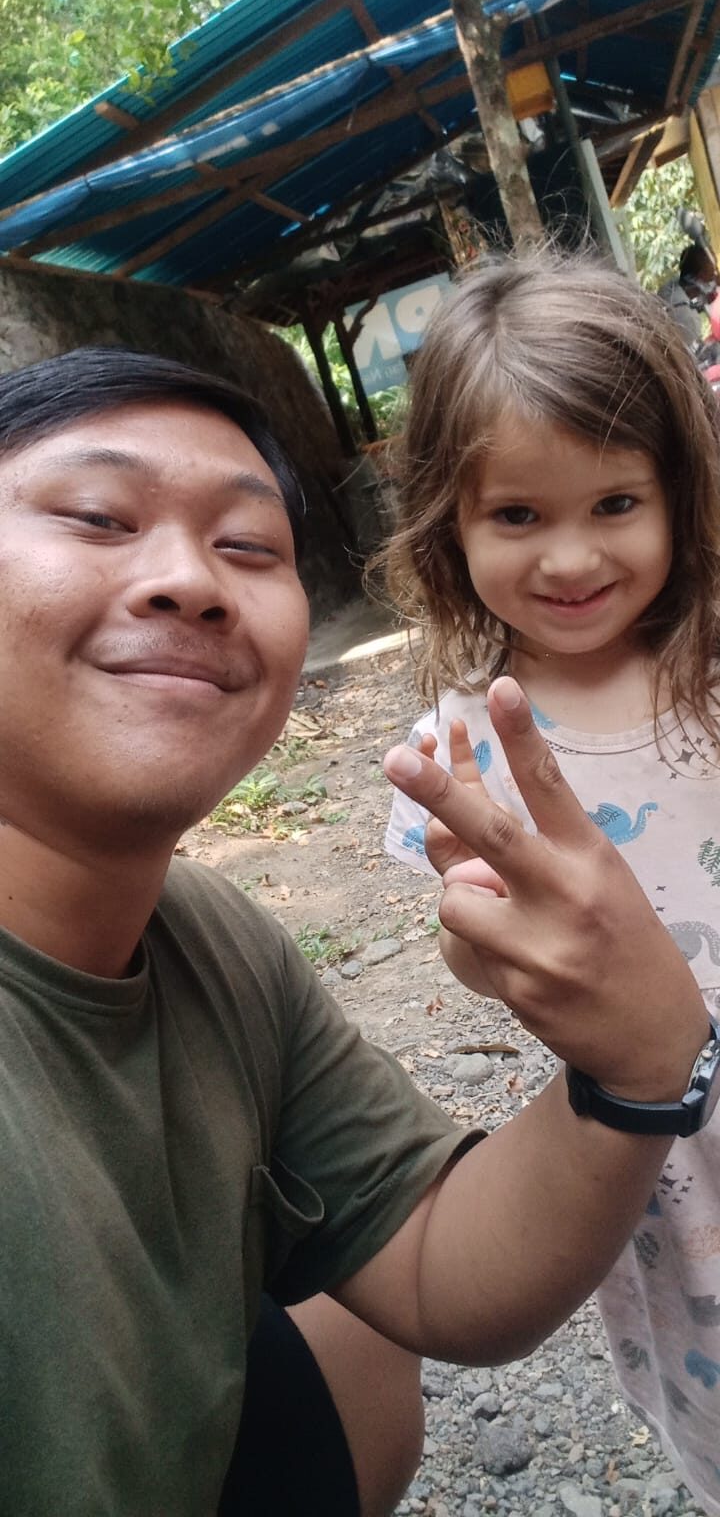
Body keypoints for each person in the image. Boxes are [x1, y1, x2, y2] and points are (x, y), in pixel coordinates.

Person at [0, 346, 712, 1517]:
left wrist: (630, 1066)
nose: (190, 580)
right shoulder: (462, 737)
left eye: (248, 546)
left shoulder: (215, 939)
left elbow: (432, 1259)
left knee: (339, 1309)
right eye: (98, 517)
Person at [382, 250, 720, 1513]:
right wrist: (477, 930)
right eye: (518, 515)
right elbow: (476, 951)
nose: (570, 557)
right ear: (451, 526)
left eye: (615, 502)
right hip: (669, 1168)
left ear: (679, 492)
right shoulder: (460, 749)